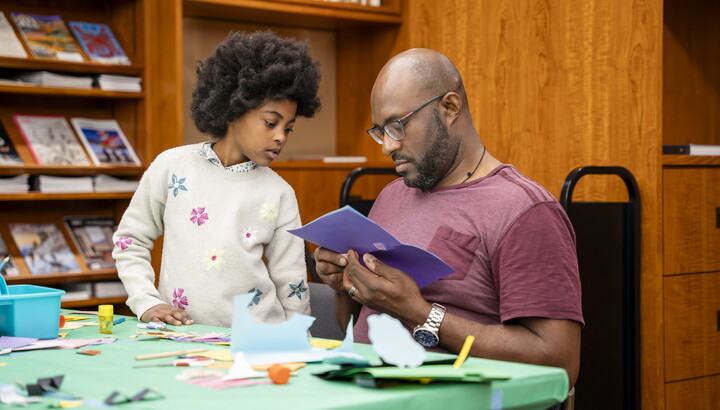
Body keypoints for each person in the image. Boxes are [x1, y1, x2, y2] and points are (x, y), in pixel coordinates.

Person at [314, 48, 583, 387]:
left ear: (450, 108)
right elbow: (356, 329)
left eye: (397, 126)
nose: (386, 146)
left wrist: (419, 313)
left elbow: (559, 362)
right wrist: (345, 288)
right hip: (364, 389)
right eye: (380, 131)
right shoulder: (391, 196)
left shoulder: (524, 211)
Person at [113, 30, 321, 327]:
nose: (280, 137)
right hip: (179, 338)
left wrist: (301, 341)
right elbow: (129, 240)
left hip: (257, 342)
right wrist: (146, 302)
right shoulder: (173, 167)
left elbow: (292, 281)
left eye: (288, 128)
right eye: (270, 122)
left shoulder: (279, 193)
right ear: (233, 109)